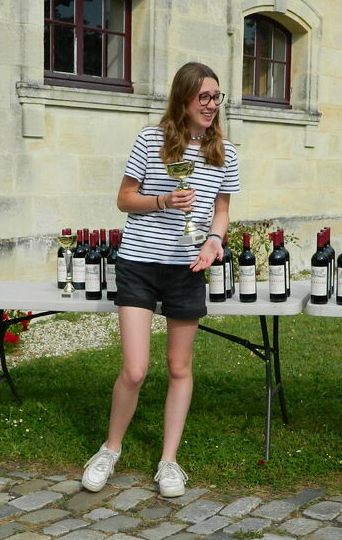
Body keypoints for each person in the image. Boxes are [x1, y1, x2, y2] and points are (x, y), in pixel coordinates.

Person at [80, 62, 239, 498]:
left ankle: (168, 461)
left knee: (178, 367)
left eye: (216, 96)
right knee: (134, 370)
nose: (211, 104)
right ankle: (110, 449)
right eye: (204, 96)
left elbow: (222, 210)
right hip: (139, 265)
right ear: (183, 99)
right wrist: (164, 200)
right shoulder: (151, 140)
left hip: (188, 268)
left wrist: (214, 241)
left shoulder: (225, 152)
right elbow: (124, 199)